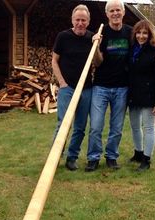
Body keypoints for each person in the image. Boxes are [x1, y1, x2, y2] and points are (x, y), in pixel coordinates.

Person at [85, 0, 155, 172]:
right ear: (107, 14)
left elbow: (147, 45)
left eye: (118, 10)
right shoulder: (101, 34)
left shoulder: (131, 33)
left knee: (117, 128)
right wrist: (97, 48)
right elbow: (98, 63)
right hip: (101, 87)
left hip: (122, 88)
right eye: (112, 10)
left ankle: (112, 157)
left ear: (123, 12)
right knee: (96, 126)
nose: (115, 13)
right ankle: (93, 158)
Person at [52, 5, 94, 171]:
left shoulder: (92, 38)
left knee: (80, 126)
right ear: (72, 20)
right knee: (63, 123)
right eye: (77, 20)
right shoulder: (63, 37)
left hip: (86, 89)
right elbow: (54, 60)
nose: (80, 23)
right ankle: (54, 157)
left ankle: (72, 157)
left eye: (83, 20)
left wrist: (97, 44)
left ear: (88, 21)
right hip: (67, 88)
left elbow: (98, 61)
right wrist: (62, 82)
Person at [128, 20, 155, 171]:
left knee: (149, 127)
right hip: (133, 94)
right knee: (135, 126)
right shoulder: (132, 49)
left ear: (150, 35)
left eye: (144, 33)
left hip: (149, 96)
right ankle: (138, 153)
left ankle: (147, 159)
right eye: (138, 32)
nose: (141, 36)